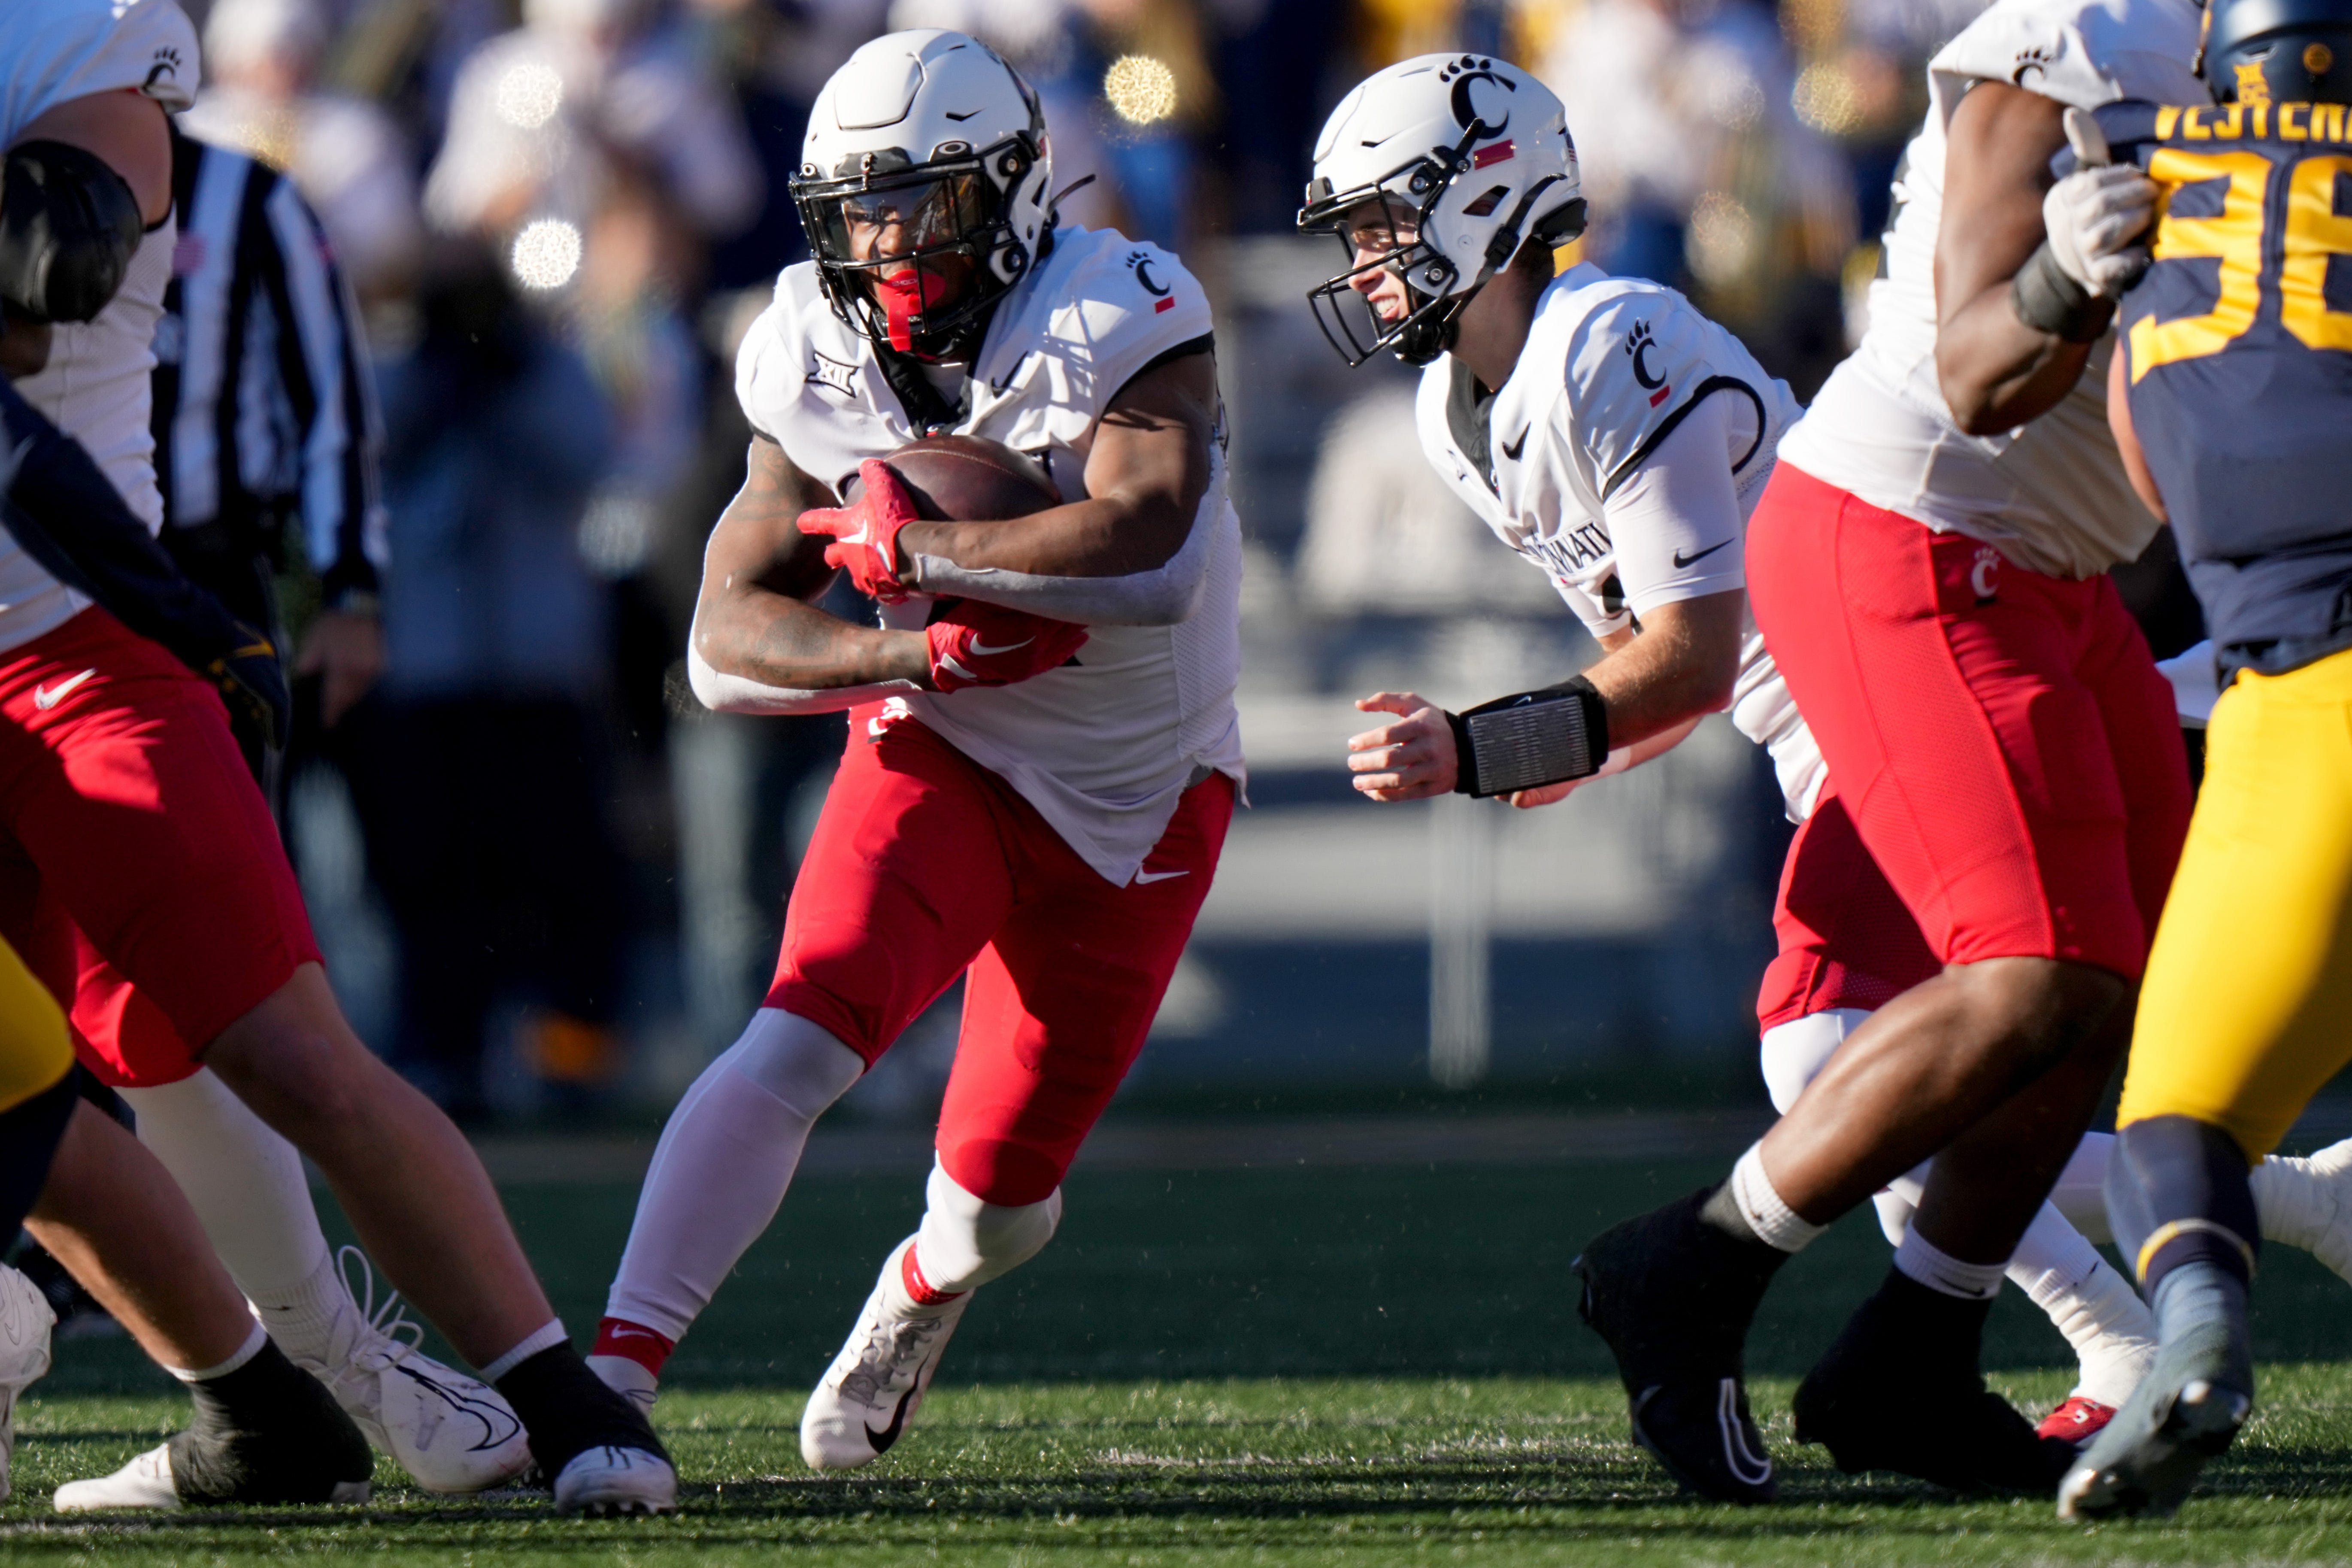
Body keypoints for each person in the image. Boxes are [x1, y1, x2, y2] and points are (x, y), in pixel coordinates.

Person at [1300, 49, 2145, 1491]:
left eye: (1386, 224)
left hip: (1895, 666)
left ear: (1484, 202)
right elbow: (1651, 663)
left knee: (1873, 1042)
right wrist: (1559, 746)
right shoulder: (1463, 414)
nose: (1367, 265)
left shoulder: (1606, 340)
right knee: (1990, 1036)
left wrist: (1479, 742)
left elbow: (1691, 654)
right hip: (1819, 724)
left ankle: (2131, 1323)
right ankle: (2169, 1299)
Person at [1, 0, 670, 1514]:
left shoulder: (74, 36)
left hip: (81, 651)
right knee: (34, 1111)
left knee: (280, 1051)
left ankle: (554, 1395)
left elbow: (44, 274)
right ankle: (261, 1408)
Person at [1570, 0, 2207, 1501]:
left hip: (2058, 561)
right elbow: (1987, 368)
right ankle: (1693, 1260)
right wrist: (2067, 273)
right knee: (2032, 968)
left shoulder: (2268, 67)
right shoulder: (2074, 45)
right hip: (1907, 528)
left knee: (2117, 981)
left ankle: (1918, 1346)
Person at [587, 27, 1243, 1473]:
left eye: (918, 207)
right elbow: (721, 636)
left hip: (1143, 786)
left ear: (1012, 194)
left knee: (1000, 1195)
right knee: (797, 1034)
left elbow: (1152, 550)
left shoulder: (1120, 305)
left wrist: (931, 548)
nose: (883, 251)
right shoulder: (810, 346)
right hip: (944, 738)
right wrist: (910, 650)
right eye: (855, 216)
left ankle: (920, 1292)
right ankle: (611, 1379)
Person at [2041, 0, 2352, 1514]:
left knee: (2177, 1128)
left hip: (2298, 718)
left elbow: (2147, 476)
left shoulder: (2152, 189)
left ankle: (2199, 1337)